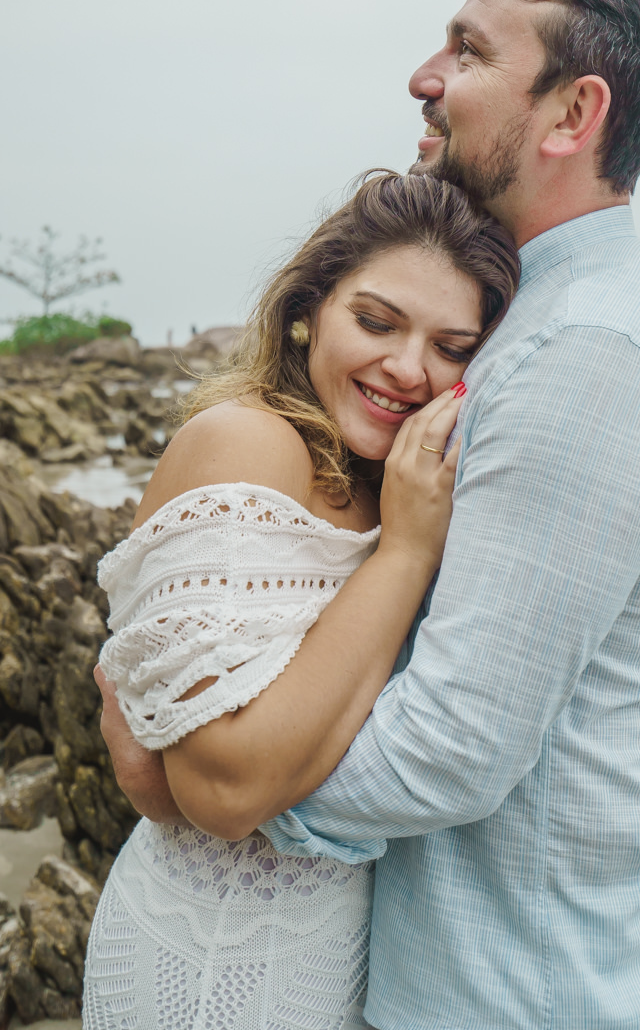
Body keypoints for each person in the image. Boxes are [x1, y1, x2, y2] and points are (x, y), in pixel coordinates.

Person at [102, 0, 640, 1029]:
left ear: (569, 115)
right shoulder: (522, 321)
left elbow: (449, 747)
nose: (423, 75)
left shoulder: (585, 353)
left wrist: (213, 788)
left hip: (540, 985)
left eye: (466, 49)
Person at [82, 170, 520, 1029]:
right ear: (306, 310)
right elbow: (226, 789)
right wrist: (405, 553)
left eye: (452, 347)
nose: (407, 367)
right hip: (206, 958)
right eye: (376, 321)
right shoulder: (246, 442)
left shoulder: (395, 482)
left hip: (339, 947)